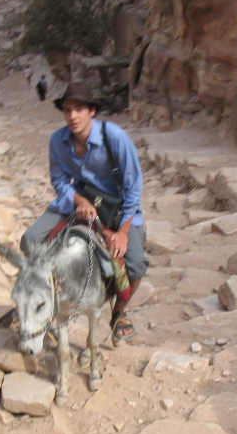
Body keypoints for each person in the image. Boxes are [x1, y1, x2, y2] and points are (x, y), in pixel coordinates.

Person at [21, 81, 148, 343]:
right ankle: (40, 302)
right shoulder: (58, 140)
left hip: (117, 208)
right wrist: (78, 200)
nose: (72, 116)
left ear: (92, 111)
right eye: (67, 110)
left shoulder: (114, 137)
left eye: (79, 109)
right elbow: (58, 180)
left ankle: (118, 313)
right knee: (30, 241)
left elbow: (133, 187)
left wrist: (123, 231)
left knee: (134, 265)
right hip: (78, 202)